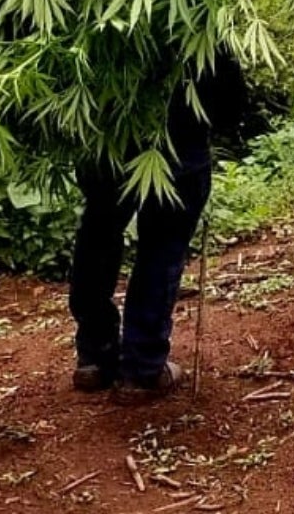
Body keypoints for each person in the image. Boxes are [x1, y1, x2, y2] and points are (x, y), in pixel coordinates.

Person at [68, 50, 248, 395]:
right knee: (161, 249)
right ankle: (142, 368)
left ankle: (94, 355)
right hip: (177, 153)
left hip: (105, 146)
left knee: (98, 233)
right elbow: (229, 99)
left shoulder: (94, 10)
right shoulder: (195, 18)